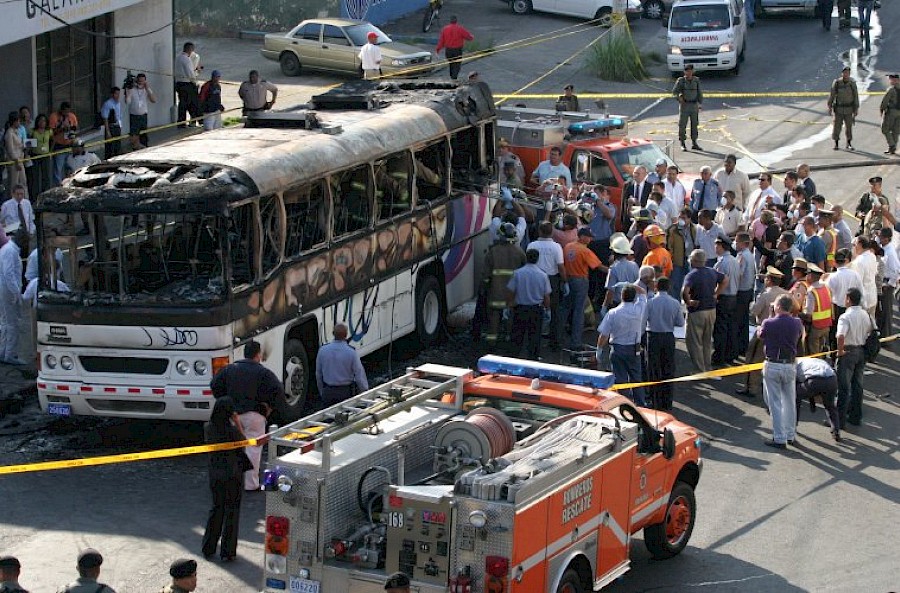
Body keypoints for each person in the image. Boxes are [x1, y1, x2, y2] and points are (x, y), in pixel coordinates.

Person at [210, 340, 283, 490]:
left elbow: (214, 385)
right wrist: (269, 408)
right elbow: (277, 390)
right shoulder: (263, 372)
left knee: (232, 448)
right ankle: (251, 484)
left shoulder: (229, 369)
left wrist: (225, 403)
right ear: (258, 355)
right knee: (253, 449)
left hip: (233, 414)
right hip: (255, 415)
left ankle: (231, 482)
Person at [201, 396, 246, 562]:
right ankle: (227, 551)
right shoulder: (232, 431)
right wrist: (237, 422)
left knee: (216, 509)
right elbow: (244, 441)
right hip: (233, 475)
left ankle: (209, 546)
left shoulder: (209, 428)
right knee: (232, 512)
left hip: (215, 475)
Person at [758, 294, 803, 449]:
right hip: (790, 364)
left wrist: (770, 317)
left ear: (777, 307)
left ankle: (779, 437)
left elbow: (761, 335)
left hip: (773, 364)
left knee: (775, 403)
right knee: (790, 401)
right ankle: (791, 434)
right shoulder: (797, 323)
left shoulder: (769, 322)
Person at [737, 266, 788, 397]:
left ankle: (750, 387)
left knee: (753, 358)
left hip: (764, 330)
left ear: (769, 280)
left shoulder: (765, 295)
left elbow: (754, 311)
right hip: (781, 332)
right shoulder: (785, 294)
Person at [597, 284, 648, 406]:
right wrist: (633, 285)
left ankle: (624, 405)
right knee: (636, 379)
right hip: (634, 348)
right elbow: (643, 294)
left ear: (621, 296)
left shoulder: (613, 313)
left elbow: (603, 335)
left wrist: (598, 350)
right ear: (634, 297)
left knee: (620, 380)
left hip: (617, 349)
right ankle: (640, 404)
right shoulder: (639, 310)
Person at [482, 222, 527, 344]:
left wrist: (485, 287)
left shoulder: (493, 252)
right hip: (512, 293)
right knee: (511, 316)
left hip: (496, 291)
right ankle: (509, 339)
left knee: (494, 316)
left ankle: (492, 341)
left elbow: (486, 275)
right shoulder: (520, 252)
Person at [683, 249, 726, 373]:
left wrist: (689, 302)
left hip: (697, 311)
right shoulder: (712, 271)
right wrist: (716, 294)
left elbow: (684, 291)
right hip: (711, 310)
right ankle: (708, 367)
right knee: (707, 341)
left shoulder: (692, 275)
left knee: (695, 342)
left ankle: (699, 370)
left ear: (694, 261)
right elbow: (725, 280)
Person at [835, 288, 872, 428]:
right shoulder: (864, 314)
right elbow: (869, 330)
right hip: (861, 351)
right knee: (857, 386)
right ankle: (855, 417)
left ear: (848, 299)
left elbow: (840, 336)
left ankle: (839, 419)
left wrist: (839, 352)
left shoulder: (845, 317)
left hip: (848, 352)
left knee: (843, 387)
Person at [645, 277, 683, 410]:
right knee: (668, 368)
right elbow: (680, 323)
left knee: (653, 369)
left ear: (656, 287)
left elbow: (644, 321)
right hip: (668, 337)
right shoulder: (675, 303)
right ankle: (667, 401)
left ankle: (654, 400)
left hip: (653, 336)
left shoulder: (650, 303)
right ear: (669, 287)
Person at [506, 249, 551, 360]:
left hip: (520, 309)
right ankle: (533, 359)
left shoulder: (517, 273)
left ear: (526, 258)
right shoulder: (543, 275)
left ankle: (513, 358)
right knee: (534, 338)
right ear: (537, 259)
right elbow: (546, 296)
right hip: (536, 310)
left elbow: (510, 291)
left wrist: (508, 306)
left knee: (517, 336)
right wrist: (548, 309)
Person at [528, 221, 567, 348]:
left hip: (534, 279)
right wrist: (565, 281)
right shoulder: (556, 247)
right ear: (551, 232)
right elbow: (561, 267)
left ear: (539, 231)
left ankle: (533, 338)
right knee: (554, 309)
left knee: (534, 308)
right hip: (552, 280)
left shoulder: (532, 245)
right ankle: (554, 341)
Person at [561, 228, 601, 349]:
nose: (590, 239)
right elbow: (597, 266)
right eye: (588, 237)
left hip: (567, 279)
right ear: (582, 236)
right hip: (580, 281)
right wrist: (612, 270)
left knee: (564, 310)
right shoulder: (585, 250)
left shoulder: (567, 246)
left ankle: (558, 339)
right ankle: (576, 342)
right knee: (579, 312)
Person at [315, 323, 369, 406]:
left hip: (328, 392)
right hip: (346, 393)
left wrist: (322, 392)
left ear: (333, 333)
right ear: (346, 335)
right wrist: (365, 392)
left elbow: (318, 374)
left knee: (327, 417)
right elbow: (359, 375)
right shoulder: (351, 352)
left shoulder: (322, 350)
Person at [795, 357, 841, 442]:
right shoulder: (812, 360)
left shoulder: (796, 366)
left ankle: (793, 424)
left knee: (796, 396)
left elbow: (802, 383)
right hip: (832, 379)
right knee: (830, 406)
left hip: (815, 380)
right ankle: (836, 430)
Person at [0, 225, 25, 365]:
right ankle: (10, 354)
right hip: (8, 291)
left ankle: (4, 352)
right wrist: (16, 293)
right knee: (12, 324)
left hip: (5, 289)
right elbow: (9, 274)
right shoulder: (10, 251)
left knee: (5, 322)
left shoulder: (7, 249)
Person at [712, 237, 739, 366]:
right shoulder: (734, 260)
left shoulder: (722, 263)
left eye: (716, 245)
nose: (714, 248)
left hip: (723, 297)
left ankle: (719, 356)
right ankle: (730, 354)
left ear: (721, 246)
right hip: (733, 297)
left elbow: (721, 282)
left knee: (720, 329)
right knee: (730, 327)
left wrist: (715, 295)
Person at [734, 232, 756, 357]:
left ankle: (739, 347)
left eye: (737, 242)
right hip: (747, 290)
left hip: (741, 291)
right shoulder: (749, 255)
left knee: (739, 320)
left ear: (743, 243)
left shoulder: (742, 256)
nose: (735, 244)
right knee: (744, 320)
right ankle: (743, 346)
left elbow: (739, 274)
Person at [803, 263, 832, 355]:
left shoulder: (811, 291)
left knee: (814, 354)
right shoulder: (825, 287)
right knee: (821, 351)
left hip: (815, 327)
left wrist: (797, 313)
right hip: (826, 325)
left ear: (810, 276)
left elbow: (808, 313)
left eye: (807, 274)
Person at [827, 66, 859, 151]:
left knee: (849, 127)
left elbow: (856, 96)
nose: (846, 74)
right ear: (842, 73)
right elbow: (832, 95)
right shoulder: (837, 83)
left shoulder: (852, 83)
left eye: (848, 73)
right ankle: (836, 143)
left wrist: (856, 109)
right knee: (837, 127)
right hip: (839, 110)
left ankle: (848, 143)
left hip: (849, 109)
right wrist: (829, 106)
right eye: (844, 73)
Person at [672, 64, 703, 150]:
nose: (688, 73)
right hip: (684, 106)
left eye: (690, 71)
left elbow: (699, 92)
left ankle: (694, 143)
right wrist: (679, 98)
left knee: (694, 124)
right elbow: (674, 92)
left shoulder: (696, 80)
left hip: (694, 105)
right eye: (686, 71)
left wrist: (700, 103)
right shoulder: (681, 81)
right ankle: (682, 143)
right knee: (682, 125)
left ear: (693, 71)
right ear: (684, 71)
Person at [877, 227, 899, 340]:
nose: (878, 237)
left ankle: (886, 337)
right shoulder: (884, 248)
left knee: (886, 311)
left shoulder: (890, 252)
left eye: (880, 236)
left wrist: (889, 284)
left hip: (887, 284)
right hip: (883, 281)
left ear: (886, 239)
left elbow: (896, 270)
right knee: (882, 311)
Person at [48, 102, 78, 185]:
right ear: (61, 110)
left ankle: (69, 184)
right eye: (65, 111)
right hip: (58, 146)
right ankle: (58, 186)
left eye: (68, 111)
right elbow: (51, 132)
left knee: (70, 167)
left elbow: (75, 128)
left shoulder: (72, 116)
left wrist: (71, 129)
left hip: (69, 144)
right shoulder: (54, 117)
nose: (67, 113)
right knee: (58, 169)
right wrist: (62, 128)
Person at [124, 73, 156, 149]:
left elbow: (153, 100)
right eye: (139, 81)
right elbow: (127, 102)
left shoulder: (146, 89)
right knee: (134, 135)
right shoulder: (132, 89)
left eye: (143, 81)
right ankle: (135, 148)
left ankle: (145, 147)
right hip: (134, 116)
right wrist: (128, 92)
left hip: (143, 115)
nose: (141, 83)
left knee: (144, 135)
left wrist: (147, 88)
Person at [435, 16, 473, 81]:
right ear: (456, 21)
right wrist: (472, 37)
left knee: (451, 63)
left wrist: (438, 49)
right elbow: (469, 37)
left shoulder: (445, 29)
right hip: (457, 50)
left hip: (448, 50)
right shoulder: (460, 29)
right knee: (457, 65)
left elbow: (441, 41)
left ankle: (452, 76)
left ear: (450, 21)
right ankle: (454, 78)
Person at [175, 42, 202, 127]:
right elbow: (190, 73)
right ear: (189, 49)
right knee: (192, 102)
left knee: (182, 102)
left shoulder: (178, 58)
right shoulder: (186, 59)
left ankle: (182, 122)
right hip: (186, 83)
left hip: (179, 83)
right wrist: (195, 83)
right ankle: (194, 121)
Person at [851, 236, 878, 316]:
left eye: (855, 245)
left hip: (863, 302)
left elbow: (857, 283)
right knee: (871, 325)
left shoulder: (859, 261)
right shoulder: (872, 256)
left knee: (861, 327)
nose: (854, 247)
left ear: (859, 245)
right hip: (873, 297)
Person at [4, 113, 27, 200]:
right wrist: (16, 161)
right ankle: (13, 202)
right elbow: (10, 150)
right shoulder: (9, 133)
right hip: (14, 162)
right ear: (14, 122)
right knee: (14, 183)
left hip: (20, 160)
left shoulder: (16, 132)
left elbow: (19, 145)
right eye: (18, 121)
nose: (19, 123)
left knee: (23, 182)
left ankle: (24, 201)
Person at [28, 113, 53, 195]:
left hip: (45, 155)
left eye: (44, 121)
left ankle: (45, 193)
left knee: (46, 176)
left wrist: (50, 151)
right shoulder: (33, 131)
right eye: (40, 121)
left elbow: (52, 140)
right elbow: (28, 142)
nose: (42, 122)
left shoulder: (49, 131)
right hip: (35, 155)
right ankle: (35, 195)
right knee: (35, 177)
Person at [99, 87, 123, 159]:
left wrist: (120, 126)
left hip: (117, 126)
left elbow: (119, 116)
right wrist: (108, 131)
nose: (118, 95)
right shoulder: (107, 104)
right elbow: (105, 118)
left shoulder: (118, 103)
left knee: (117, 146)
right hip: (111, 127)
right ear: (112, 94)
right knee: (109, 147)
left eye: (119, 94)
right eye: (116, 94)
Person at [880, 74, 900, 155]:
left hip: (892, 112)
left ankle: (891, 145)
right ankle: (893, 149)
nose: (890, 81)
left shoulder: (891, 89)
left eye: (891, 79)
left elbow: (885, 101)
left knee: (885, 129)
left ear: (895, 80)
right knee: (895, 131)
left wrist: (882, 109)